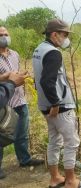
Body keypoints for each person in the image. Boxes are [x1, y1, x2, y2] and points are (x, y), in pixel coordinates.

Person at [32, 19, 81, 188]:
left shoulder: (39, 49)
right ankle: (71, 180)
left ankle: (55, 178)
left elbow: (37, 78)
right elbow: (46, 81)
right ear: (54, 34)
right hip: (59, 107)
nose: (66, 38)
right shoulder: (53, 53)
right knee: (71, 142)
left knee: (54, 141)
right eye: (64, 34)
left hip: (44, 106)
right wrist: (55, 103)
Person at [0, 26, 44, 179]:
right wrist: (6, 77)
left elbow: (16, 74)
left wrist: (22, 76)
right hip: (4, 104)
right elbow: (7, 77)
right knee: (2, 136)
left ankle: (24, 159)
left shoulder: (15, 54)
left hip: (19, 99)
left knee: (22, 133)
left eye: (6, 34)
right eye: (1, 35)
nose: (4, 37)